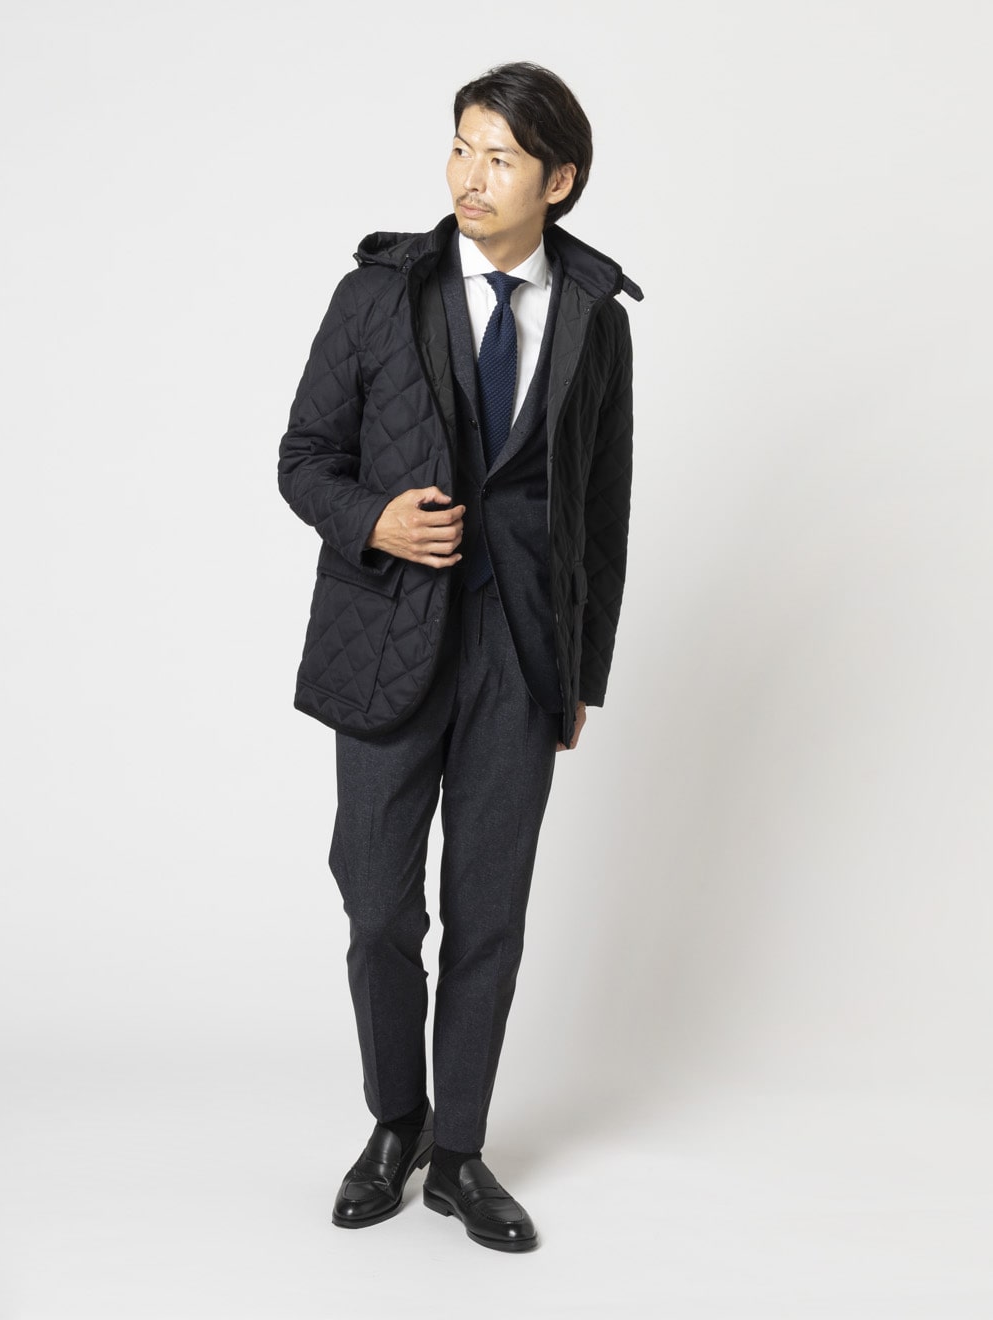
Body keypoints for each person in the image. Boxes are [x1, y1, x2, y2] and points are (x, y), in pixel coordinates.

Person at [277, 61, 640, 1253]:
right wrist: (371, 519)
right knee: (379, 904)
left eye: (500, 157)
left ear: (558, 181)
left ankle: (462, 1153)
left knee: (491, 913)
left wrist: (580, 674)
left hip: (519, 655)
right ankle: (397, 1121)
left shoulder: (594, 317)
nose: (470, 177)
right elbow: (304, 457)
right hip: (388, 639)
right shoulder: (378, 293)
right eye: (460, 147)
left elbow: (601, 508)